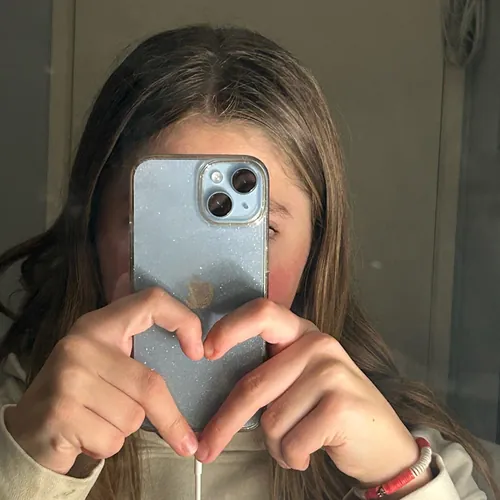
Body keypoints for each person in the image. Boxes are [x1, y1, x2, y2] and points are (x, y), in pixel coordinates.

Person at [0, 25, 498, 500]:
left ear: (316, 246)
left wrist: (399, 478)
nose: (198, 279)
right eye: (152, 225)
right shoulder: (21, 412)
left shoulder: (401, 442)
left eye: (259, 231)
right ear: (93, 232)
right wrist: (24, 469)